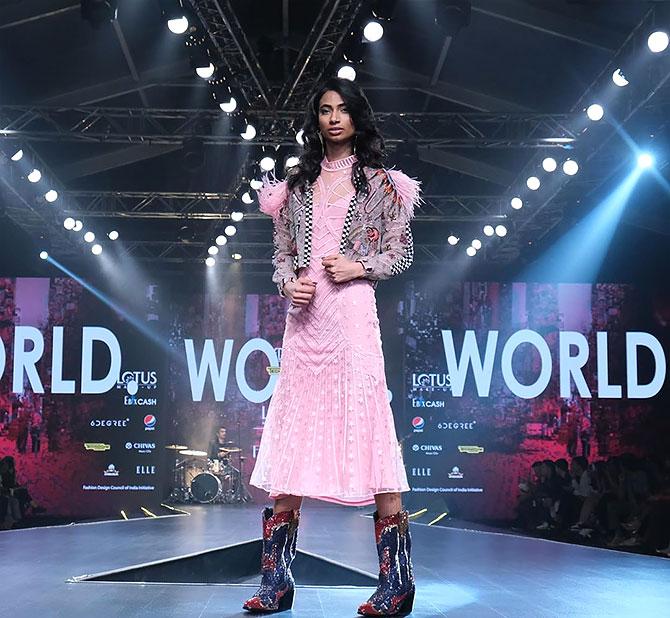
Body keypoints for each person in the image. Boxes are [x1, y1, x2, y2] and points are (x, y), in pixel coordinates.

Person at [245, 77, 419, 615]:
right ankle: (277, 583)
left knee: (371, 434)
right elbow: (281, 257)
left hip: (351, 318)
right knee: (291, 440)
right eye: (325, 110)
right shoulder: (295, 189)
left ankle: (397, 584)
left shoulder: (383, 185)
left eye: (343, 109)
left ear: (357, 118)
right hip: (304, 323)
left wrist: (359, 266)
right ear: (315, 120)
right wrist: (285, 283)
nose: (334, 118)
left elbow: (400, 255)